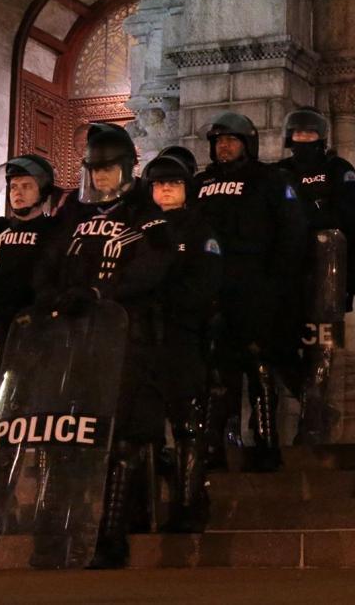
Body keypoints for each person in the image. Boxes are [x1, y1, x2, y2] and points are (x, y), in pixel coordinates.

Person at [37, 122, 163, 568]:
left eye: (108, 168)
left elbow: (153, 266)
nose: (101, 176)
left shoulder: (145, 210)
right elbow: (48, 261)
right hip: (74, 337)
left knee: (120, 434)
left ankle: (112, 534)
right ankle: (61, 529)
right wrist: (52, 298)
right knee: (69, 431)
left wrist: (100, 293)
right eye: (95, 169)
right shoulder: (73, 213)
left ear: (126, 168)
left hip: (126, 334)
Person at [192, 112, 307, 472]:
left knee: (259, 363)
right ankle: (216, 445)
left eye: (231, 140)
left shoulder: (269, 179)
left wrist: (279, 283)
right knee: (216, 369)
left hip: (256, 286)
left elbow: (292, 233)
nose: (224, 147)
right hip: (211, 287)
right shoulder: (200, 183)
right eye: (218, 141)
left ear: (248, 143)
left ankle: (266, 442)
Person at [0, 153, 59, 536]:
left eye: (26, 186)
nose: (18, 193)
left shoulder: (54, 231)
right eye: (13, 187)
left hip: (38, 336)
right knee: (0, 422)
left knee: (39, 421)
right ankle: (1, 504)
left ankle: (46, 504)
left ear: (43, 191)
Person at [139, 147, 223, 532]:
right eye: (159, 184)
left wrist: (174, 305)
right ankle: (141, 506)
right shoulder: (140, 227)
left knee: (186, 420)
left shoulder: (200, 228)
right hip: (142, 336)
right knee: (142, 424)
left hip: (183, 333)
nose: (166, 190)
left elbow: (206, 281)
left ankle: (190, 503)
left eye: (173, 183)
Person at [276, 106, 355, 444]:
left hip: (328, 267)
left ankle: (311, 423)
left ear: (321, 138)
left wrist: (305, 218)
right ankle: (317, 408)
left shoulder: (338, 169)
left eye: (309, 134)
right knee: (278, 343)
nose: (304, 139)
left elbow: (348, 217)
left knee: (322, 343)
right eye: (298, 134)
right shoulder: (280, 172)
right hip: (289, 272)